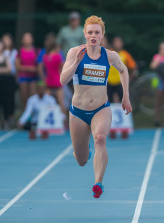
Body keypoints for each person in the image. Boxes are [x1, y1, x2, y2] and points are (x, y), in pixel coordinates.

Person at [60, 15, 132, 198]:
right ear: (84, 34)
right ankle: (85, 153)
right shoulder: (74, 52)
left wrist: (126, 96)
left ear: (102, 35)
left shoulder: (110, 55)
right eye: (90, 32)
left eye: (97, 32)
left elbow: (124, 70)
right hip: (78, 112)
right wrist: (76, 61)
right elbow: (62, 80)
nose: (93, 35)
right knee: (81, 160)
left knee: (100, 138)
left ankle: (98, 182)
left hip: (101, 108)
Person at [38, 33, 66, 122]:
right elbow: (63, 67)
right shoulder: (58, 56)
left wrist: (44, 79)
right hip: (57, 80)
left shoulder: (45, 56)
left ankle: (44, 121)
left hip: (49, 81)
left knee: (46, 102)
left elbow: (42, 68)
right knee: (61, 102)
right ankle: (64, 121)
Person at [107, 36, 137, 103]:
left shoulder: (125, 54)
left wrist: (130, 78)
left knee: (122, 100)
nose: (117, 44)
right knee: (108, 101)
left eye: (119, 42)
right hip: (109, 81)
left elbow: (133, 66)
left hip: (120, 82)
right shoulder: (109, 53)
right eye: (116, 42)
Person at [150, 42, 164, 126]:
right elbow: (152, 66)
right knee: (158, 100)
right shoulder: (157, 57)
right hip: (158, 79)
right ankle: (157, 119)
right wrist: (159, 59)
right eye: (162, 48)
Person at [15, 32, 38, 110]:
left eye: (28, 38)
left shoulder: (36, 51)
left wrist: (33, 69)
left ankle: (33, 117)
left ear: (32, 40)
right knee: (24, 98)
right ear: (22, 40)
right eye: (25, 38)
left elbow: (39, 65)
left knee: (33, 98)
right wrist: (29, 68)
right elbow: (17, 66)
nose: (27, 40)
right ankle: (25, 117)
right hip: (23, 77)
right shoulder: (20, 51)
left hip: (34, 77)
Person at [2, 33, 18, 125]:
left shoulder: (15, 52)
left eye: (7, 39)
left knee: (11, 98)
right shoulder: (1, 52)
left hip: (11, 77)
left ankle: (11, 116)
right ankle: (4, 118)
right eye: (4, 40)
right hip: (3, 77)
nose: (5, 42)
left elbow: (16, 65)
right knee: (3, 98)